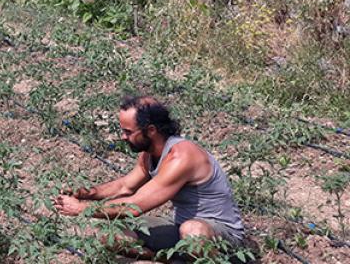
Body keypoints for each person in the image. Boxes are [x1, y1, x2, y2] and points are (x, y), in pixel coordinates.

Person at [52, 96, 248, 260]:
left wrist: (80, 208)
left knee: (192, 232)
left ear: (151, 130)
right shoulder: (150, 154)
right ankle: (175, 259)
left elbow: (133, 206)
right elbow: (124, 187)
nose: (123, 137)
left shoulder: (181, 157)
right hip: (180, 226)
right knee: (112, 236)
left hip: (220, 235)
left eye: (128, 131)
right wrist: (85, 193)